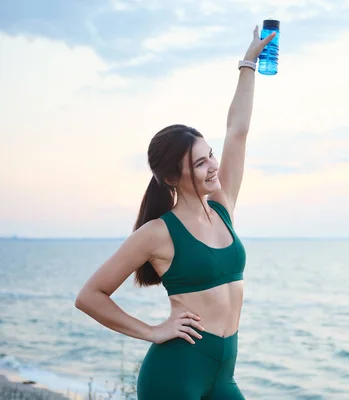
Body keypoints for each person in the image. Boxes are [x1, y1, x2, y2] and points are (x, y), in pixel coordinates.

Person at [74, 26, 276, 400]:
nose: (213, 165)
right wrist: (152, 330)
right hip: (175, 375)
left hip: (222, 374)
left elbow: (238, 132)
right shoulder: (157, 233)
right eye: (200, 163)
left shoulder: (222, 206)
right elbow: (90, 296)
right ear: (172, 176)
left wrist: (249, 63)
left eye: (210, 154)